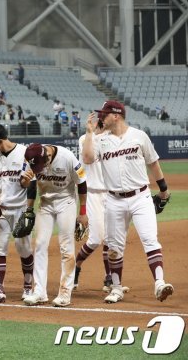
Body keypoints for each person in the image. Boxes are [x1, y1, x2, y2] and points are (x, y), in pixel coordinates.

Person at [81, 101, 173, 303]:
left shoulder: (139, 136)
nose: (100, 118)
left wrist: (163, 190)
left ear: (116, 115)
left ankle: (159, 283)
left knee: (150, 239)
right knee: (114, 246)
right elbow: (87, 159)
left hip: (141, 197)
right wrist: (89, 132)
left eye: (104, 114)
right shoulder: (99, 140)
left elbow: (153, 163)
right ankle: (116, 288)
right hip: (114, 199)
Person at [22, 143, 87, 307]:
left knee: (66, 246)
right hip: (45, 203)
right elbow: (29, 185)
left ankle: (65, 292)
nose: (39, 168)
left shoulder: (67, 158)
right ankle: (39, 292)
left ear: (48, 156)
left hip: (66, 202)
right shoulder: (31, 158)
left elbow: (82, 183)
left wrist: (83, 212)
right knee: (39, 244)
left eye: (40, 165)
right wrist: (29, 209)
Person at [0, 124, 35, 304]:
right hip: (0, 211)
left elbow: (30, 183)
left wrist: (26, 184)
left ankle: (28, 288)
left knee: (24, 249)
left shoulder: (25, 153)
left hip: (19, 209)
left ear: (0, 141)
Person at [73, 119, 113, 292]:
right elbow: (87, 158)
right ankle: (76, 266)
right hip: (92, 193)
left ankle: (109, 278)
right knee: (96, 239)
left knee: (110, 239)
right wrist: (91, 131)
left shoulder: (114, 140)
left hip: (111, 194)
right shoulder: (85, 139)